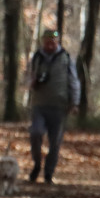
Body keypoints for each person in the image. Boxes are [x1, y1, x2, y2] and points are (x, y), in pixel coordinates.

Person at [27, 29, 80, 184]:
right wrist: (31, 83)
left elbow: (74, 82)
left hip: (59, 107)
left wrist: (75, 103)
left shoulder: (66, 58)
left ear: (58, 42)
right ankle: (37, 164)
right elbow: (27, 77)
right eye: (47, 42)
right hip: (39, 105)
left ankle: (48, 173)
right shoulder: (36, 57)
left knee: (55, 142)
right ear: (43, 42)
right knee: (35, 133)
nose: (50, 45)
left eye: (53, 42)